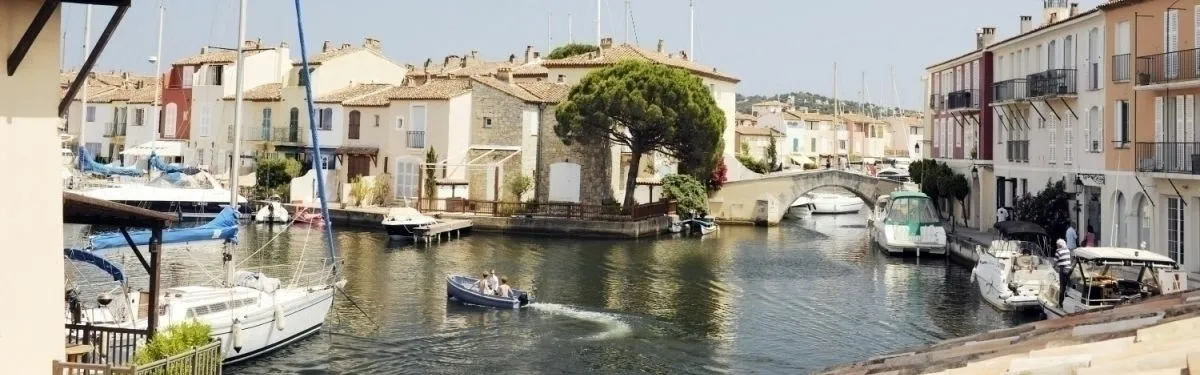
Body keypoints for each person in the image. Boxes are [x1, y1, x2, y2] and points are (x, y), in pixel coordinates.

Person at [1054, 239, 1072, 307]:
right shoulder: (1067, 250)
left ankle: (1060, 303)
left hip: (1063, 269)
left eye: (1057, 245)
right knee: (1068, 285)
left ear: (1059, 245)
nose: (1057, 246)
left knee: (1062, 286)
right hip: (1069, 269)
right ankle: (1068, 301)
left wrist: (1053, 266)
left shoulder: (1058, 251)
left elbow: (1055, 261)